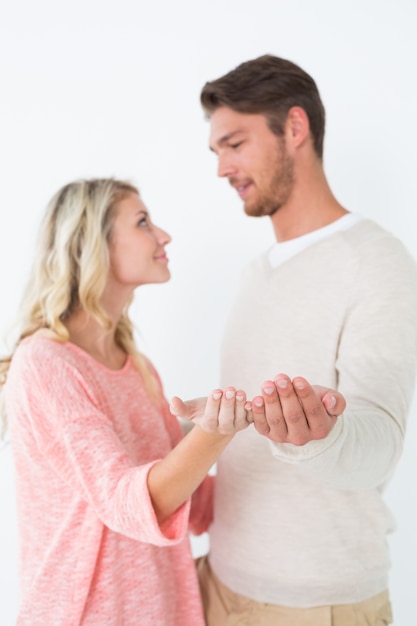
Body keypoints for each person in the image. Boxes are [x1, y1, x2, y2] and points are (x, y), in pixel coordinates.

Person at [194, 54, 417, 625]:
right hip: (217, 583)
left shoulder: (376, 260)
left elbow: (379, 442)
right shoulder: (255, 273)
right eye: (216, 150)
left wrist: (317, 436)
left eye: (235, 143)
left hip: (317, 604)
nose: (222, 168)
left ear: (295, 128)